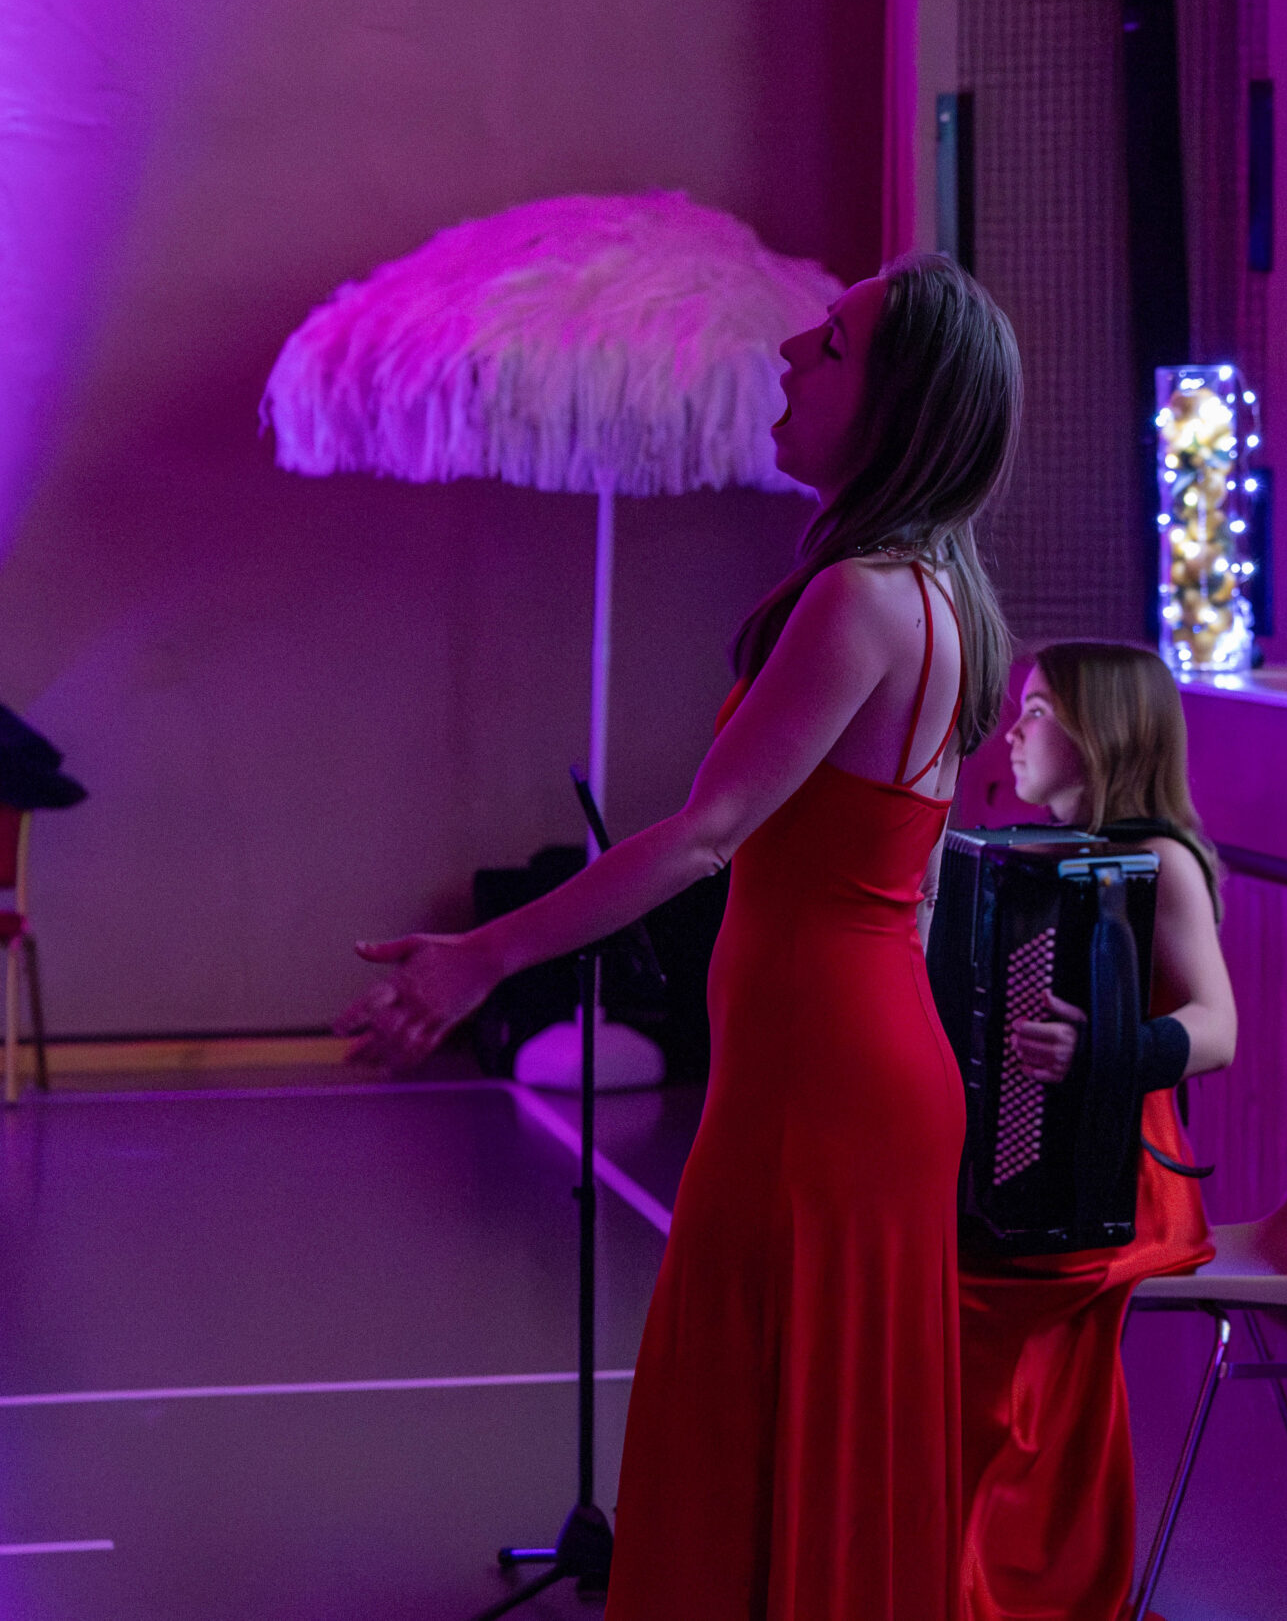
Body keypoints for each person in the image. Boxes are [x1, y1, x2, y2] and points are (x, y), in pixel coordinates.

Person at [335, 252, 1021, 1621]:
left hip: (821, 1087)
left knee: (747, 1436)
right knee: (802, 1445)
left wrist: (483, 957)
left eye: (831, 346)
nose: (789, 355)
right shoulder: (931, 595)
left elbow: (709, 835)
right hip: (854, 1070)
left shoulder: (862, 597)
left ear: (900, 405)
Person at [960, 641, 1237, 1621]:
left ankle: (1006, 1585)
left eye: (1038, 711)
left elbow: (1218, 1028)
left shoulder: (1162, 858)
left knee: (963, 1310)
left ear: (1100, 733)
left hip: (1122, 1185)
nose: (1013, 732)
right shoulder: (1044, 857)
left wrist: (1102, 1048)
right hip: (1058, 1172)